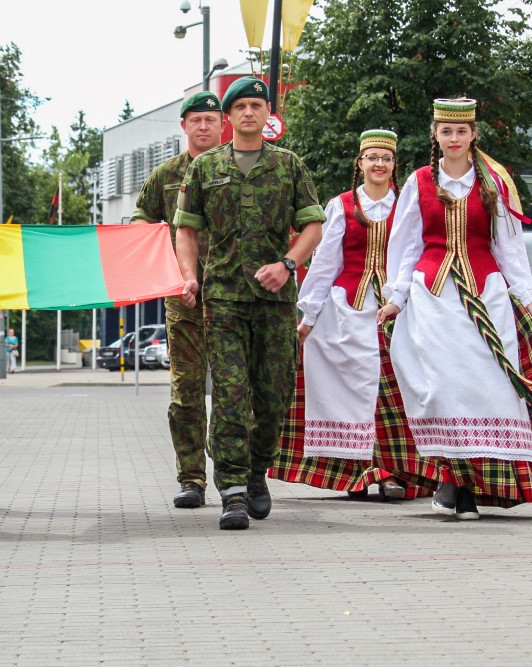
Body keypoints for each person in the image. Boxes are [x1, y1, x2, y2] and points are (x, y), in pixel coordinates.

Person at [379, 98, 532, 519]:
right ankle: (451, 478)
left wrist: (527, 297)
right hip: (433, 298)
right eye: (446, 131)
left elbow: (508, 247)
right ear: (435, 136)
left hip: (485, 295)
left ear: (473, 134)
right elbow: (405, 246)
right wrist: (396, 296)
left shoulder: (493, 182)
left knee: (483, 389)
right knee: (440, 390)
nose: (453, 139)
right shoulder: (420, 182)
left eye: (461, 131)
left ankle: (470, 485)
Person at [173, 76, 326, 530]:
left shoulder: (289, 165)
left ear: (267, 114)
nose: (248, 113)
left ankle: (258, 470)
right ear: (228, 117)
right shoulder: (204, 168)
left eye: (256, 105)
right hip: (223, 299)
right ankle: (234, 490)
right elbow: (186, 229)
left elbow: (314, 227)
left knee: (273, 396)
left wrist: (288, 263)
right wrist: (189, 277)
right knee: (230, 395)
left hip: (276, 302)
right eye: (239, 107)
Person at [269, 129, 436, 500]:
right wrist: (309, 316)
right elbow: (326, 262)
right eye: (372, 157)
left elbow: (414, 254)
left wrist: (407, 296)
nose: (379, 164)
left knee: (393, 393)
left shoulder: (407, 205)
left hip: (396, 310)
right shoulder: (341, 205)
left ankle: (395, 472)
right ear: (359, 163)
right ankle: (357, 473)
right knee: (347, 391)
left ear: (395, 165)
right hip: (347, 308)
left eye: (386, 158)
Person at [130, 91, 225, 509]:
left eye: (210, 119)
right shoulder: (166, 176)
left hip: (233, 297)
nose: (203, 126)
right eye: (195, 120)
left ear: (222, 124)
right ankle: (191, 477)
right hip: (182, 299)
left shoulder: (236, 170)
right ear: (183, 126)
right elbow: (139, 220)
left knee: (233, 391)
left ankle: (232, 472)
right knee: (186, 391)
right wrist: (154, 242)